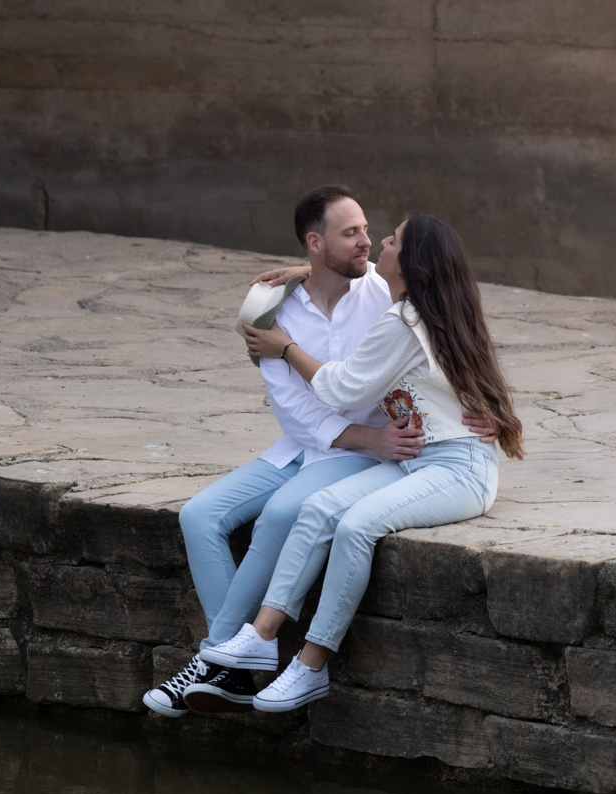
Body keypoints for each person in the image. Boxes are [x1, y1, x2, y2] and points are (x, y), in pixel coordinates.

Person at [212, 214, 524, 711]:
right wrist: (305, 270)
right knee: (318, 509)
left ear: (412, 261)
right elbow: (359, 275)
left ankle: (310, 666)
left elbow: (341, 388)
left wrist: (286, 347)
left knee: (355, 525)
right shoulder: (430, 308)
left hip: (457, 469)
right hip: (416, 460)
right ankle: (262, 636)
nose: (380, 241)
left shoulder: (405, 321)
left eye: (393, 240)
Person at [142, 185, 419, 717]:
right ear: (315, 243)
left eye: (366, 230)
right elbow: (295, 412)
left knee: (280, 515)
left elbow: (445, 317)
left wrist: (380, 439)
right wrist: (368, 437)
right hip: (305, 445)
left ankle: (212, 666)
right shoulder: (269, 310)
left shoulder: (385, 293)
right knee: (199, 516)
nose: (366, 241)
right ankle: (238, 668)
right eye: (351, 233)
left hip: (361, 455)